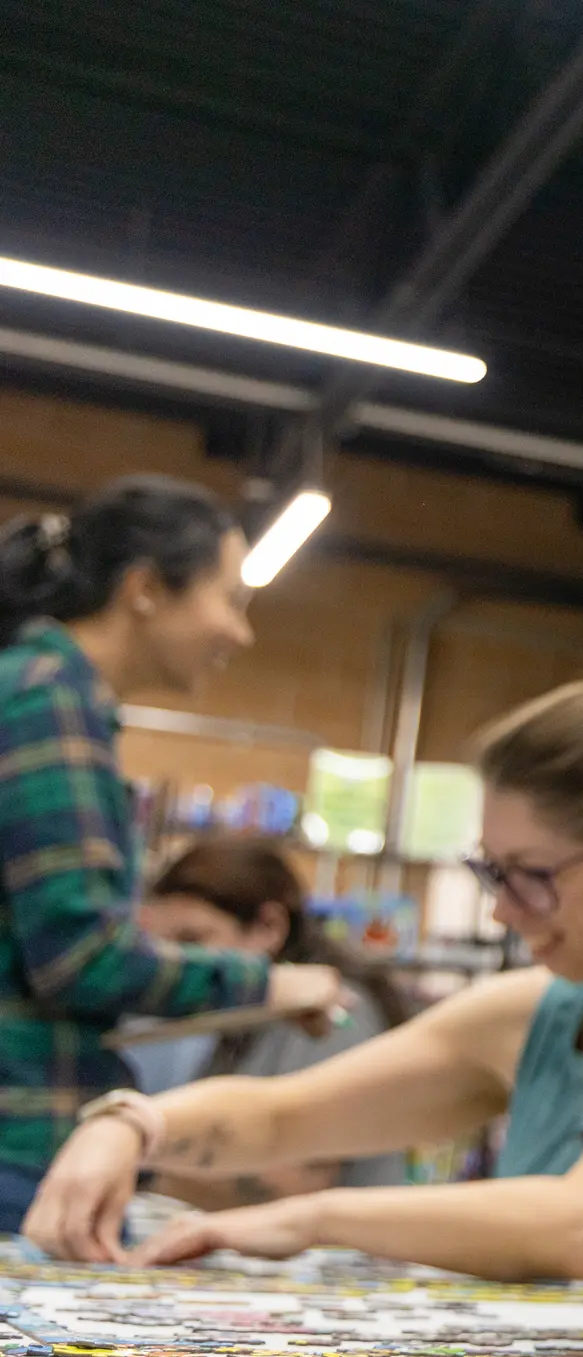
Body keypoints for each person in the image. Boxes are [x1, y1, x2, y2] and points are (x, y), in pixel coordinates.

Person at [22, 636, 583, 1296]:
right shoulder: (537, 1010)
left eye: (532, 877)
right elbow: (284, 1115)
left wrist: (313, 1218)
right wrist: (130, 1124)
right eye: (490, 873)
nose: (502, 912)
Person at [0, 476, 346, 1234]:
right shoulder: (47, 698)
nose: (240, 633)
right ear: (146, 589)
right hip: (19, 1144)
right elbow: (82, 958)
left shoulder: (44, 690)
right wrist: (268, 984)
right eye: (229, 600)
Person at [132, 833, 418, 1201]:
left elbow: (292, 1181)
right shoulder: (242, 1019)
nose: (181, 964)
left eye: (193, 940)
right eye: (162, 948)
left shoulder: (333, 1012)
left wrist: (127, 1163)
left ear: (269, 927)